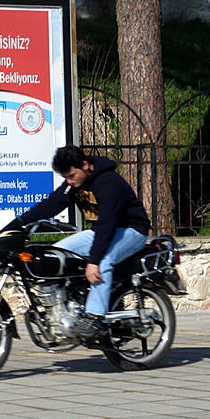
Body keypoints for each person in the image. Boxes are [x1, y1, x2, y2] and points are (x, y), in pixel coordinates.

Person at [19, 145, 151, 339]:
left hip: (132, 230)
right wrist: (20, 222)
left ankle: (95, 317)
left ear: (85, 165)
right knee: (58, 253)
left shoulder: (108, 183)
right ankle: (74, 301)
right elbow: (52, 204)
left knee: (104, 261)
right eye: (66, 178)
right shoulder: (75, 183)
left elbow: (107, 224)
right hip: (103, 231)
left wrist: (93, 261)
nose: (69, 182)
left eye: (72, 176)